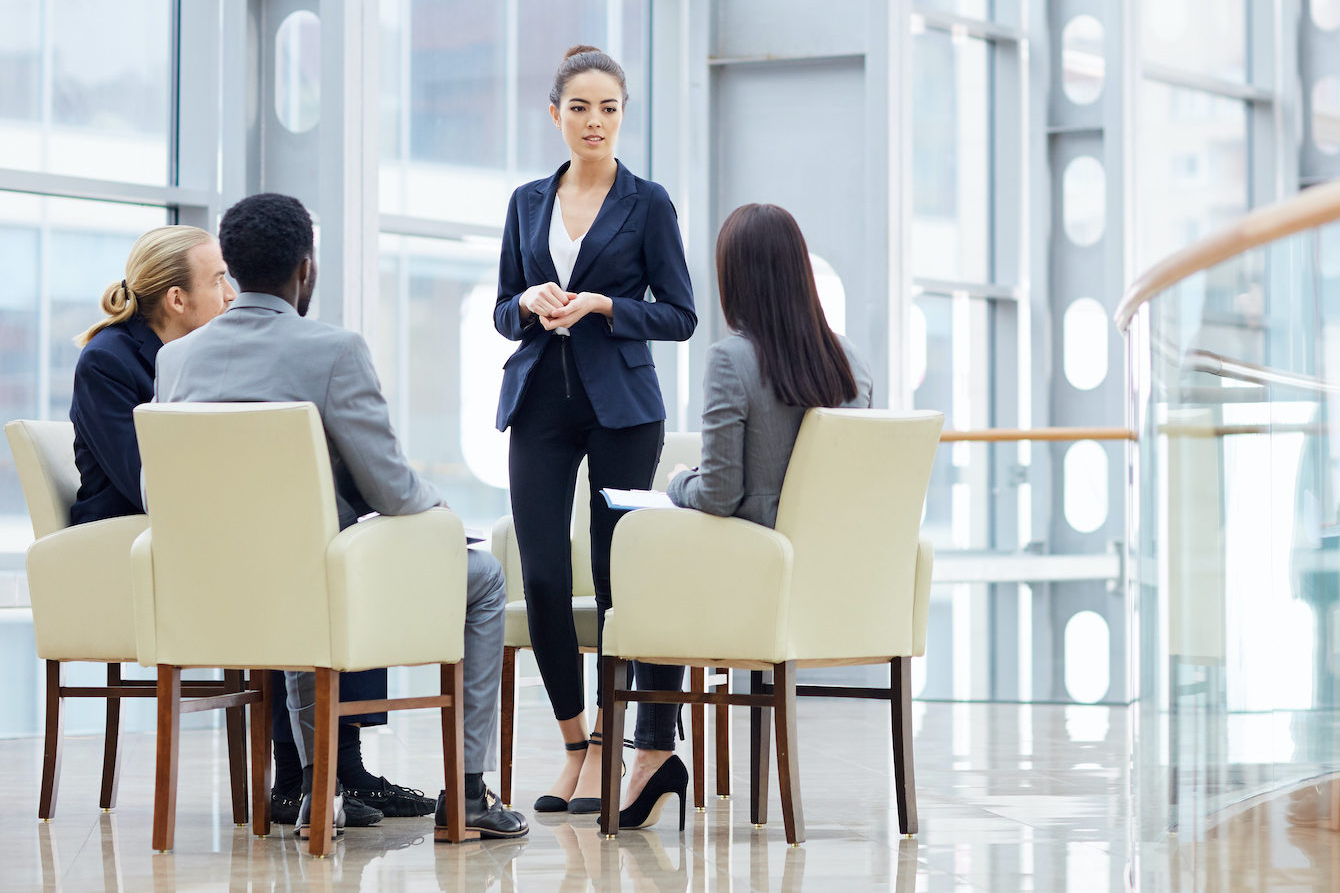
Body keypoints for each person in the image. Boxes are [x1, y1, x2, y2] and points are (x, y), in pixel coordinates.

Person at [155, 193, 527, 841]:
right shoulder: (333, 351)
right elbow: (391, 489)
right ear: (307, 268)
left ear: (233, 270)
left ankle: (315, 791)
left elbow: (158, 485)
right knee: (486, 578)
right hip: (310, 584)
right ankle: (468, 791)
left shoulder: (176, 360)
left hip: (212, 591)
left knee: (303, 572)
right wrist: (434, 507)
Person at [494, 45, 697, 819]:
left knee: (619, 578)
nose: (594, 121)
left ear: (622, 115)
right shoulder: (525, 201)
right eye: (579, 107)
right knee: (544, 573)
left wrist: (606, 306)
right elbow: (501, 308)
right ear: (555, 114)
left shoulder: (649, 204)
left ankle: (617, 741)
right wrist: (530, 303)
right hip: (539, 399)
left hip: (623, 407)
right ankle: (575, 744)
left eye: (608, 108)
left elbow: (679, 314)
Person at [668, 203, 873, 529]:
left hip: (764, 556)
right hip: (839, 548)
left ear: (732, 277)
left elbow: (718, 496)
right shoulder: (852, 359)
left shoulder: (730, 359)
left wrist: (679, 481)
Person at [69, 227, 235, 527]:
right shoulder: (105, 361)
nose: (230, 295)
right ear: (177, 300)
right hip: (121, 535)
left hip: (183, 526)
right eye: (219, 280)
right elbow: (146, 483)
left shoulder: (202, 356)